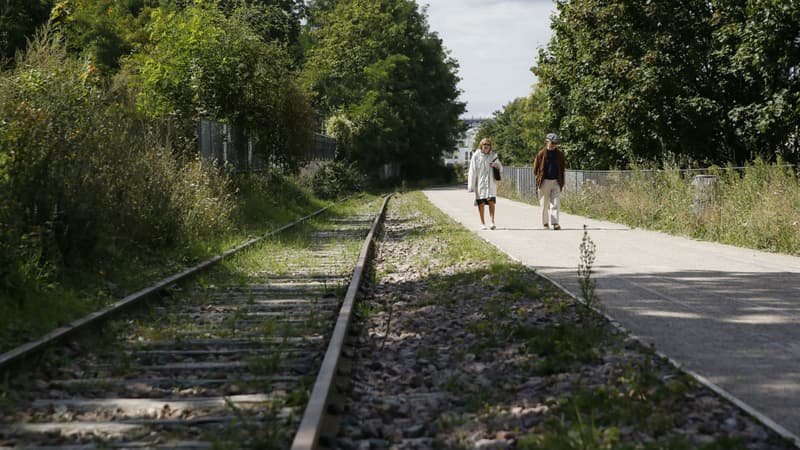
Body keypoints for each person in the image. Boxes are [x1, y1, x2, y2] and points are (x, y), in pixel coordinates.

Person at [467, 137, 502, 230]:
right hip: (480, 184)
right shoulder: (476, 156)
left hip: (491, 183)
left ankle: (492, 222)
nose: (486, 146)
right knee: (481, 203)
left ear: (490, 146)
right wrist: (471, 185)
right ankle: (482, 223)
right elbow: (472, 171)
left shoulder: (494, 155)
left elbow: (501, 168)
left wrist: (496, 165)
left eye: (488, 144)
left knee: (491, 202)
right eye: (484, 144)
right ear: (481, 145)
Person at [532, 132, 565, 230]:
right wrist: (539, 178)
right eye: (552, 143)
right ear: (547, 141)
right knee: (544, 204)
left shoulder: (560, 154)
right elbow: (535, 168)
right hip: (544, 182)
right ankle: (545, 223)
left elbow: (562, 167)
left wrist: (561, 180)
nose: (554, 145)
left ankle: (555, 223)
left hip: (556, 181)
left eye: (555, 143)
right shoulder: (541, 153)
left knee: (555, 203)